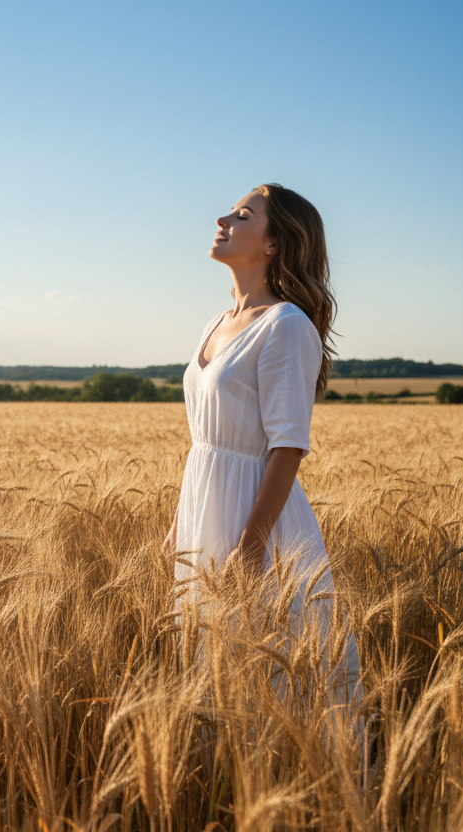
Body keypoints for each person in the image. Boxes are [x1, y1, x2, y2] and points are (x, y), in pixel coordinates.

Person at [162, 182, 359, 699]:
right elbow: (204, 440)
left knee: (271, 674)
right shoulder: (216, 323)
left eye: (243, 215)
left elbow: (287, 446)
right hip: (206, 508)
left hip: (258, 521)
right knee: (212, 677)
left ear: (274, 243)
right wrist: (180, 523)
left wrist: (250, 548)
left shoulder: (286, 326)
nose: (224, 219)